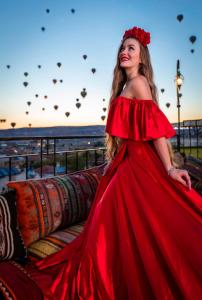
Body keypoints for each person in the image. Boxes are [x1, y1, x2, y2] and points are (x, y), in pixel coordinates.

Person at [26, 26, 202, 300]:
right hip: (127, 161)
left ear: (142, 56)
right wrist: (115, 162)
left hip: (139, 164)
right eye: (122, 48)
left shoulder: (139, 83)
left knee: (123, 224)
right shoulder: (126, 85)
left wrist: (168, 167)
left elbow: (154, 130)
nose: (124, 52)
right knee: (113, 223)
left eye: (131, 48)